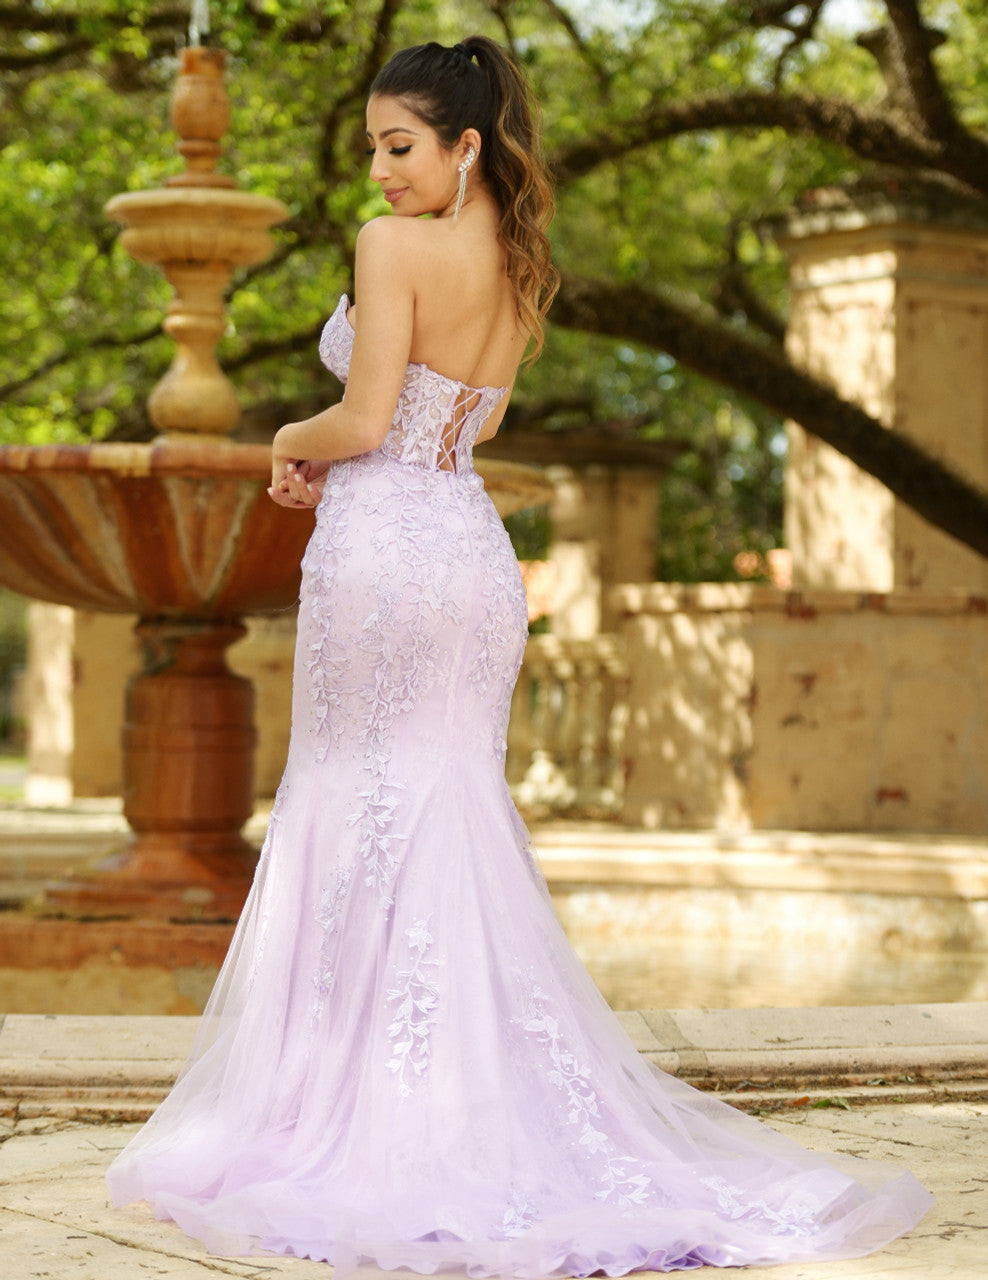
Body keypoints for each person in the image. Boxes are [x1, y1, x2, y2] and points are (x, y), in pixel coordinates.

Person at [107, 36, 933, 1275]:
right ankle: (461, 1108)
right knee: (447, 803)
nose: (380, 175)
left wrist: (289, 430)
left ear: (464, 145)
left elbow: (370, 417)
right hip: (469, 553)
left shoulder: (394, 249)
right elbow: (456, 421)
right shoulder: (517, 262)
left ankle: (354, 1116)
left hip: (385, 546)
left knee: (356, 798)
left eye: (399, 147)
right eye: (376, 150)